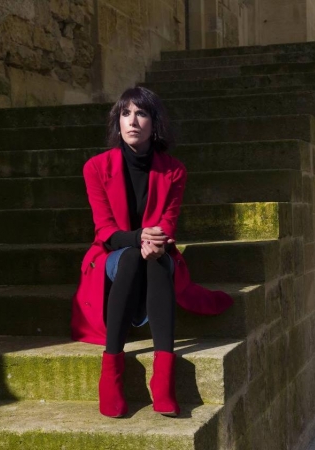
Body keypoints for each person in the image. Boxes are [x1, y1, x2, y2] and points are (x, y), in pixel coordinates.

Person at [72, 86, 233, 419]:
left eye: (141, 113)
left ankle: (163, 381)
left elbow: (169, 223)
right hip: (113, 255)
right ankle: (111, 375)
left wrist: (153, 242)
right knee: (132, 256)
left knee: (157, 259)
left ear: (154, 122)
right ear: (117, 122)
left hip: (156, 252)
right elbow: (104, 230)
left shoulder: (173, 171)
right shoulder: (96, 168)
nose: (133, 121)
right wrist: (137, 238)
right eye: (125, 113)